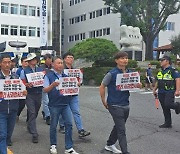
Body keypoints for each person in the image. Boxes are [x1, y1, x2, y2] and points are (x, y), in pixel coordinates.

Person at [99, 51, 142, 154]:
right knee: (121, 130)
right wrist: (103, 101)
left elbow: (135, 85)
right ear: (116, 60)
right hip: (114, 104)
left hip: (125, 104)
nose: (125, 60)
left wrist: (139, 85)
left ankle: (109, 144)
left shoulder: (130, 73)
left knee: (118, 126)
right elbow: (102, 86)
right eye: (122, 58)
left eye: (126, 58)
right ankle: (125, 151)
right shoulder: (111, 73)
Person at [43, 56, 79, 154]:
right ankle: (53, 145)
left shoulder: (65, 76)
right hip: (54, 104)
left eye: (61, 63)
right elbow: (45, 90)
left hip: (65, 103)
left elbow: (71, 89)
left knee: (69, 124)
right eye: (58, 63)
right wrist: (52, 85)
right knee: (53, 125)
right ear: (53, 64)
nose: (60, 65)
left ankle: (69, 147)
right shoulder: (48, 76)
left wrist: (75, 86)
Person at [0, 54, 26, 154]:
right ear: (0, 64)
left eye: (9, 62)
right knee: (2, 134)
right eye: (5, 62)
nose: (7, 64)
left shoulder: (16, 77)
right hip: (1, 110)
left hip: (13, 110)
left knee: (8, 134)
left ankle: (4, 147)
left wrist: (24, 92)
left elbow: (22, 90)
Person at [62, 52, 90, 138]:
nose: (70, 59)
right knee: (62, 111)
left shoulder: (75, 71)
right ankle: (62, 125)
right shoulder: (62, 70)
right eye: (68, 57)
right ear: (64, 59)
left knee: (76, 111)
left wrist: (79, 83)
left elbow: (80, 81)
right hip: (63, 94)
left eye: (72, 57)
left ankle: (80, 129)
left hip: (74, 93)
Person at [20, 53, 43, 143]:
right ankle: (34, 134)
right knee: (32, 112)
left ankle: (30, 124)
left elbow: (44, 79)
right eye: (32, 59)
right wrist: (26, 84)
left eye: (35, 59)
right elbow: (21, 82)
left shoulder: (40, 70)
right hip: (29, 94)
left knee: (35, 111)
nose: (34, 61)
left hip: (39, 93)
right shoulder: (24, 71)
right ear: (29, 61)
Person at [153, 55, 180, 128]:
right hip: (161, 91)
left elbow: (177, 79)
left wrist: (177, 90)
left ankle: (178, 106)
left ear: (167, 61)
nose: (160, 62)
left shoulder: (172, 70)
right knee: (165, 107)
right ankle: (168, 123)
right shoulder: (161, 71)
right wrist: (154, 89)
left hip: (169, 91)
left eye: (162, 60)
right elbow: (158, 81)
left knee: (168, 104)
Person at [40, 54, 53, 125]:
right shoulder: (41, 68)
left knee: (50, 101)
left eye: (50, 59)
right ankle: (48, 116)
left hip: (52, 86)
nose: (49, 60)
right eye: (48, 59)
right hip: (44, 87)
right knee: (46, 101)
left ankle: (45, 112)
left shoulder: (53, 67)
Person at [16, 57, 29, 121]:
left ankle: (29, 119)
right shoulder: (19, 70)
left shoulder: (30, 70)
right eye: (25, 62)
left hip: (29, 89)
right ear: (21, 63)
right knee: (22, 104)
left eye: (27, 61)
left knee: (30, 105)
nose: (26, 63)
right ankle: (17, 114)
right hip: (21, 89)